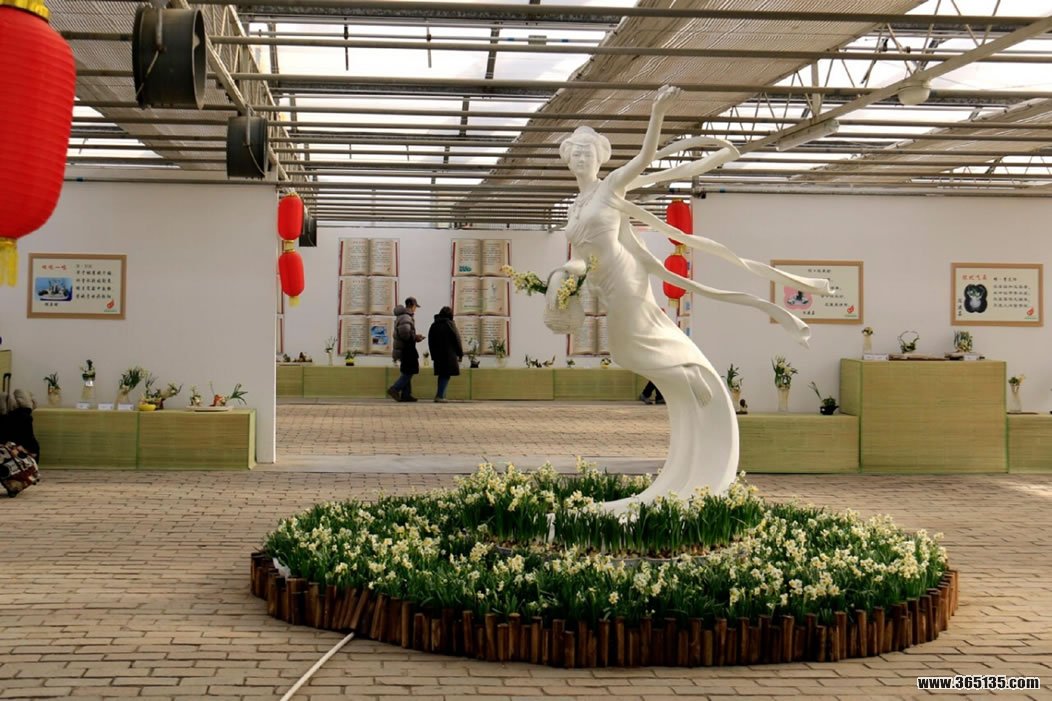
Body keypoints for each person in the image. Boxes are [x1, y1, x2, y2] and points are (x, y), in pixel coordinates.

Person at [547, 86, 831, 514]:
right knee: (624, 349)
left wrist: (658, 113)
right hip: (603, 282)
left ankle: (691, 373)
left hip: (624, 276)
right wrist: (561, 277)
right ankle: (685, 378)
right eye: (577, 154)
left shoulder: (610, 186)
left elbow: (645, 158)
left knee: (629, 346)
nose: (583, 158)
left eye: (589, 152)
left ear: (599, 158)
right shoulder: (574, 205)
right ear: (569, 161)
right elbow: (580, 256)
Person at [388, 297, 425, 402]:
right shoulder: (406, 317)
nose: (415, 309)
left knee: (406, 371)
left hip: (403, 348)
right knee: (409, 371)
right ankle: (394, 389)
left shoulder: (403, 316)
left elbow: (405, 332)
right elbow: (405, 333)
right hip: (406, 349)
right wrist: (415, 337)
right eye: (415, 307)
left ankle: (406, 394)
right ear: (412, 305)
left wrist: (414, 336)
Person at [427, 306, 463, 402]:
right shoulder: (450, 325)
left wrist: (433, 355)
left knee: (442, 374)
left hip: (438, 355)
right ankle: (440, 396)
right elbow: (457, 340)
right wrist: (460, 353)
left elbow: (430, 341)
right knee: (446, 375)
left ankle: (441, 395)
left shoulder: (434, 325)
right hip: (449, 355)